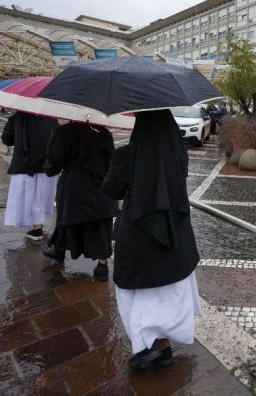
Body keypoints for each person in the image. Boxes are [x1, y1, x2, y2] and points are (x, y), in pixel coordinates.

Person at [102, 109, 201, 369]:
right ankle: (163, 349)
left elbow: (110, 189)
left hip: (139, 234)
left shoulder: (127, 154)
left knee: (138, 290)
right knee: (166, 292)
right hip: (175, 233)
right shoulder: (179, 152)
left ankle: (149, 346)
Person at [41, 122, 118, 281]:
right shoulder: (103, 132)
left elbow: (54, 161)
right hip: (100, 185)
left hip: (74, 185)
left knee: (66, 219)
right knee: (101, 226)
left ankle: (59, 249)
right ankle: (102, 266)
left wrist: (50, 168)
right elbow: (111, 160)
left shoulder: (64, 131)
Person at [2, 111, 59, 241]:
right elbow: (58, 138)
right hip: (46, 164)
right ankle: (38, 225)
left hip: (25, 164)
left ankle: (37, 228)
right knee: (40, 197)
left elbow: (7, 139)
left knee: (30, 197)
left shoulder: (17, 117)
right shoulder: (51, 117)